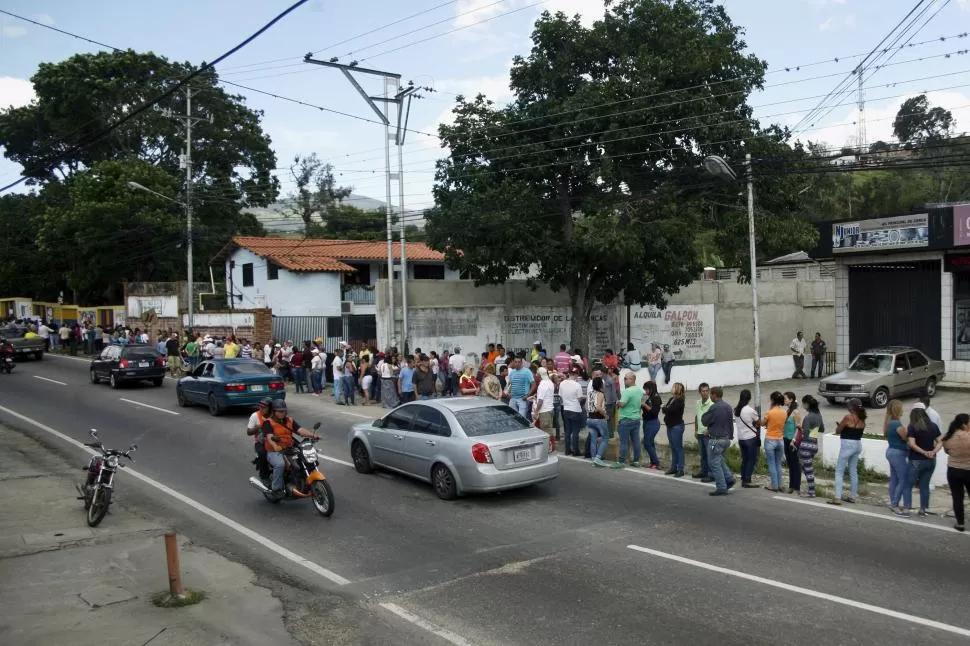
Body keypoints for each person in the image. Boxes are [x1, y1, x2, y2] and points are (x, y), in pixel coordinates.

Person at [261, 400, 320, 498]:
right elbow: (269, 437)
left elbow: (300, 430)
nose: (282, 413)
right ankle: (276, 489)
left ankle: (302, 482)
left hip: (290, 448)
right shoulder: (268, 423)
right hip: (275, 451)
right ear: (274, 412)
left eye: (284, 411)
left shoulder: (289, 420)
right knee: (280, 464)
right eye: (279, 411)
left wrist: (313, 435)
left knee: (305, 460)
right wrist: (276, 446)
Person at [829, 398, 867, 505]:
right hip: (857, 445)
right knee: (853, 470)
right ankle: (853, 496)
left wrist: (840, 427)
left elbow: (838, 431)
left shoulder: (848, 417)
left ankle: (837, 497)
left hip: (847, 445)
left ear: (851, 407)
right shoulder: (863, 419)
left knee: (839, 471)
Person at [907, 404, 942, 516]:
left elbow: (912, 444)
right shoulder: (933, 426)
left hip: (916, 459)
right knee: (924, 485)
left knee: (908, 484)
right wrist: (933, 452)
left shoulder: (912, 427)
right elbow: (940, 442)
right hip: (931, 460)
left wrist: (923, 452)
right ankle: (923, 510)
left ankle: (907, 507)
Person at [701, 386, 736, 496]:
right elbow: (730, 423)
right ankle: (729, 478)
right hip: (726, 439)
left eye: (711, 394)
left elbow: (705, 421)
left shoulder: (714, 407)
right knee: (719, 459)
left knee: (714, 463)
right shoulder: (728, 407)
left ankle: (721, 486)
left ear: (715, 395)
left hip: (715, 440)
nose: (710, 396)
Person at [942, 413, 970, 532]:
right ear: (964, 424)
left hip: (953, 470)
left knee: (957, 497)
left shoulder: (948, 438)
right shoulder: (968, 436)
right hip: (968, 470)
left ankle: (960, 523)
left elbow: (947, 451)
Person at [883, 400, 911, 516]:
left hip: (891, 451)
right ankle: (895, 504)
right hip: (898, 453)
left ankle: (893, 502)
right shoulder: (896, 424)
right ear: (898, 409)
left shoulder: (889, 422)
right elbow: (905, 437)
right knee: (903, 479)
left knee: (894, 479)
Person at [612, 371, 643, 468]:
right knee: (636, 440)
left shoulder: (627, 391)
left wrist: (617, 403)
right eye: (624, 378)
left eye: (626, 379)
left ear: (632, 379)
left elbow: (623, 404)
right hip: (636, 418)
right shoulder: (639, 390)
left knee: (624, 442)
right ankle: (636, 461)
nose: (624, 380)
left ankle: (621, 461)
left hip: (626, 419)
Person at [798, 395, 823, 498]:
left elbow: (805, 432)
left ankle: (811, 492)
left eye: (803, 403)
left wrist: (799, 426)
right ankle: (811, 488)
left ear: (807, 404)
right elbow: (821, 429)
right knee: (807, 467)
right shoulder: (818, 416)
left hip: (806, 445)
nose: (802, 405)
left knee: (807, 469)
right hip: (814, 445)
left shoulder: (808, 417)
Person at [734, 389, 760, 488]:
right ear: (749, 398)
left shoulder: (736, 409)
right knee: (751, 459)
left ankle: (743, 477)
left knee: (745, 459)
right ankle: (747, 480)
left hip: (741, 438)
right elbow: (759, 422)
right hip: (750, 438)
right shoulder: (750, 410)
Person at [763, 391, 787, 492]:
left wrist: (770, 409)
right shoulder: (784, 412)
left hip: (770, 439)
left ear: (772, 400)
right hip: (780, 440)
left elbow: (763, 423)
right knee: (778, 463)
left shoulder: (769, 412)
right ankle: (779, 484)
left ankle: (774, 485)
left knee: (771, 463)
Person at [246, 397, 274, 481]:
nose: (261, 409)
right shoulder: (255, 416)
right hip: (261, 441)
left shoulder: (275, 415)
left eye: (264, 407)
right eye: (260, 406)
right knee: (262, 453)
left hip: (275, 439)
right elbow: (248, 432)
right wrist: (258, 427)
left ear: (270, 409)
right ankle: (264, 474)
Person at [662, 382, 686, 477]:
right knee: (673, 447)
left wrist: (665, 408)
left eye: (673, 387)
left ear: (677, 389)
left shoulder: (679, 400)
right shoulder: (672, 399)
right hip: (670, 425)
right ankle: (673, 467)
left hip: (676, 426)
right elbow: (666, 409)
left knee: (678, 448)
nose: (671, 389)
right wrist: (665, 408)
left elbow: (670, 410)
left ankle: (680, 469)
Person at [559, 368, 584, 456]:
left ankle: (567, 450)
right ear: (576, 375)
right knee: (575, 431)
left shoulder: (562, 383)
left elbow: (561, 396)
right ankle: (576, 450)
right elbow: (580, 398)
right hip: (575, 409)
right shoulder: (577, 385)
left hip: (566, 409)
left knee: (568, 431)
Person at [692, 383, 714, 482]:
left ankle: (711, 474)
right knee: (703, 455)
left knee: (710, 455)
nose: (705, 393)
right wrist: (696, 430)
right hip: (700, 433)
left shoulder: (712, 404)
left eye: (706, 391)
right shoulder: (698, 403)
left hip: (708, 434)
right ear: (699, 392)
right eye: (703, 391)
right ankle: (703, 472)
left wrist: (709, 430)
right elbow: (697, 417)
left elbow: (714, 419)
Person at [586, 376, 609, 466]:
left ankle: (593, 458)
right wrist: (606, 416)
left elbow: (586, 406)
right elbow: (598, 407)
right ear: (600, 385)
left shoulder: (590, 393)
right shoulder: (600, 394)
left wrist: (589, 414)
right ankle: (598, 457)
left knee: (593, 439)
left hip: (590, 419)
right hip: (599, 419)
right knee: (605, 438)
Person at [640, 380, 663, 470]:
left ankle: (656, 463)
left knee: (647, 443)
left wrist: (644, 406)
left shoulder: (656, 398)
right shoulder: (651, 397)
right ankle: (653, 462)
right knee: (650, 443)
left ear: (651, 389)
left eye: (646, 389)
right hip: (647, 422)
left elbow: (654, 412)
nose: (645, 392)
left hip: (652, 423)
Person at [782, 391, 802, 494]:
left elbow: (799, 428)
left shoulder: (796, 412)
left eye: (785, 399)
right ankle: (791, 486)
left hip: (792, 441)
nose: (784, 400)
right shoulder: (788, 410)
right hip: (785, 438)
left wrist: (794, 440)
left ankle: (797, 486)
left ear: (791, 399)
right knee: (790, 463)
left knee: (795, 463)